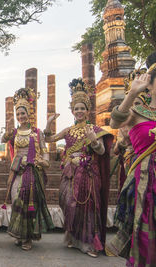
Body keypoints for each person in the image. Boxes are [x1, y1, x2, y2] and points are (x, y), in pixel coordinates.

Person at [44, 78, 113, 258]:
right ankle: (73, 238)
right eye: (77, 109)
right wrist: (49, 123)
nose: (80, 111)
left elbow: (102, 150)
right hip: (70, 173)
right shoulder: (67, 130)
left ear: (88, 110)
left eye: (83, 108)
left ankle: (88, 243)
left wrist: (92, 140)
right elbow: (48, 139)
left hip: (88, 173)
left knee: (87, 207)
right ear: (73, 111)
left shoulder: (94, 129)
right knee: (67, 203)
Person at [106, 52, 156, 267]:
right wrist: (132, 92)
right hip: (146, 184)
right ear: (150, 84)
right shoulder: (137, 111)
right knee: (146, 234)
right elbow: (115, 122)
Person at [2, 88, 54, 250]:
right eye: (18, 114)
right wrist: (8, 131)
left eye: (23, 113)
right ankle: (19, 233)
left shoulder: (36, 133)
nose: (20, 117)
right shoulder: (15, 133)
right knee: (16, 201)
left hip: (32, 173)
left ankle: (28, 238)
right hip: (18, 172)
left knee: (30, 203)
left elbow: (45, 153)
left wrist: (42, 162)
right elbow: (4, 139)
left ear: (29, 113)